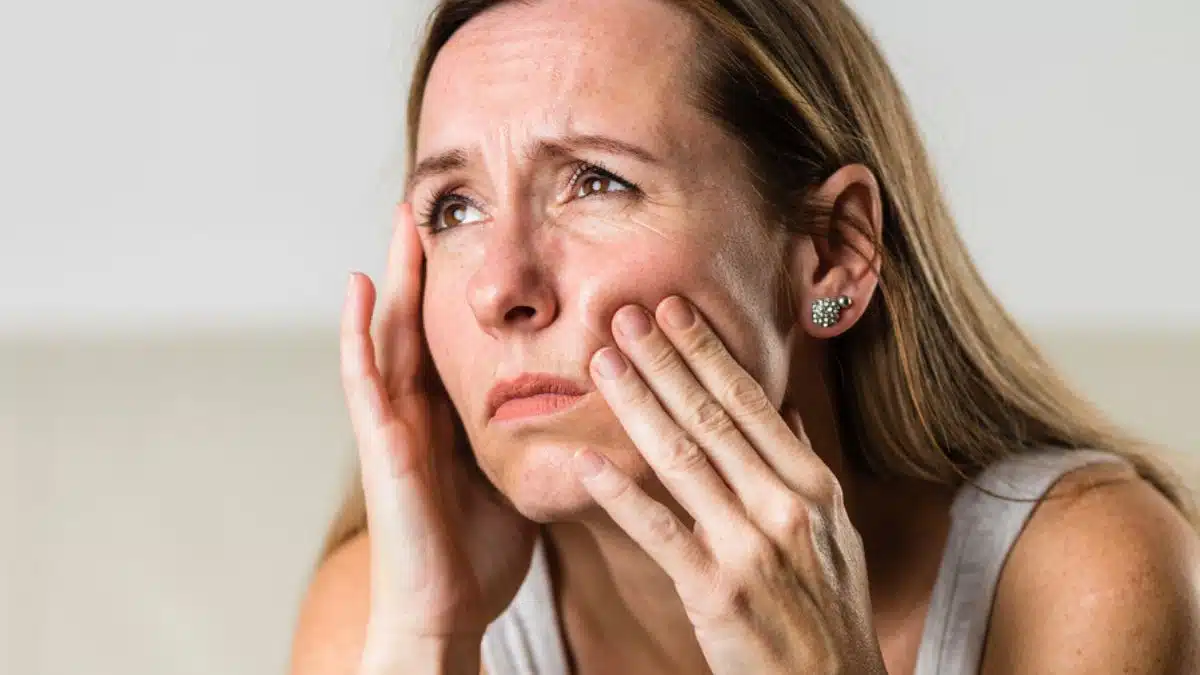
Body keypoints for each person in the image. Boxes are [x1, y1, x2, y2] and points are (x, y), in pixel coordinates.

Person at [290, 0, 1200, 673]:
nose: (500, 288)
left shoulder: (1085, 579)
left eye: (596, 182)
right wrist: (427, 639)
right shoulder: (387, 612)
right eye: (455, 207)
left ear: (835, 252)